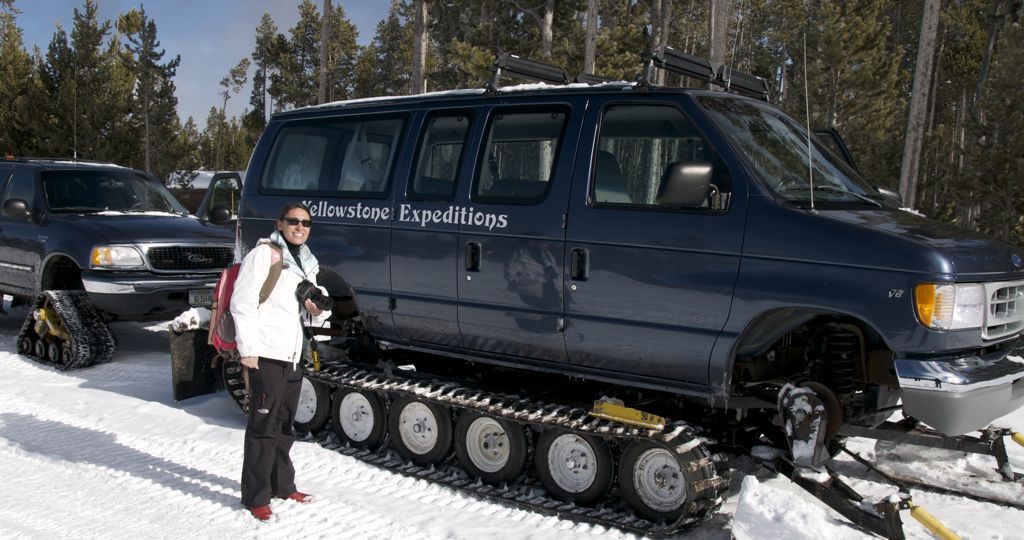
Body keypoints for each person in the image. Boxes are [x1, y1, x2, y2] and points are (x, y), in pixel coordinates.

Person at [231, 202, 331, 521]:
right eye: (293, 221)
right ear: (280, 223)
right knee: (263, 427)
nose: (300, 227)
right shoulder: (265, 255)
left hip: (293, 354)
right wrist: (248, 350)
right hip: (267, 354)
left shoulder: (307, 261)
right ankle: (255, 497)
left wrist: (320, 309)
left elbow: (317, 304)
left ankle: (282, 485)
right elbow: (242, 302)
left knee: (285, 424)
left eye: (306, 223)